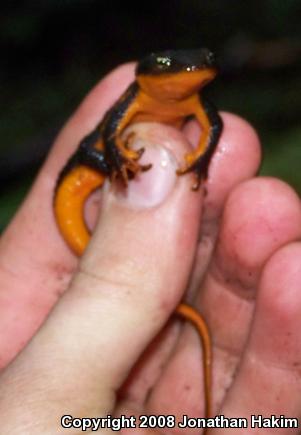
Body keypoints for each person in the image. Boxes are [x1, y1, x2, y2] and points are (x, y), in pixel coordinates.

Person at [0, 62, 300, 434]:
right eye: (168, 69)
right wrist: (119, 165)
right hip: (78, 176)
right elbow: (106, 136)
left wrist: (199, 161)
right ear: (146, 76)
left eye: (199, 66)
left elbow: (214, 129)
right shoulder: (135, 97)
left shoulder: (193, 103)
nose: (184, 74)